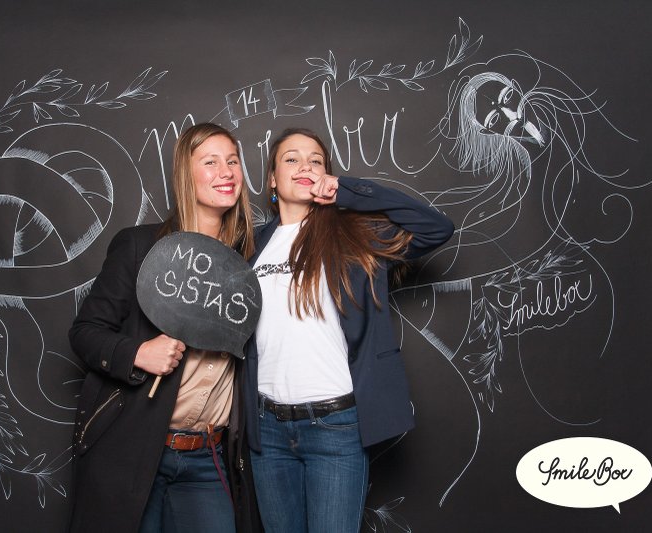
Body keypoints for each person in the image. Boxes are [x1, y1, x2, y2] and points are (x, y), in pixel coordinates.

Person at [244, 128, 455, 532]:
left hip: (335, 428)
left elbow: (435, 228)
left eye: (316, 160)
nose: (305, 166)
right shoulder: (251, 247)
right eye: (291, 159)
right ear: (272, 179)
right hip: (267, 430)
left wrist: (348, 191)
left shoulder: (355, 235)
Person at [68, 123, 260, 533]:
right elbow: (85, 331)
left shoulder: (249, 264)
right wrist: (137, 353)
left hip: (208, 457)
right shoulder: (141, 246)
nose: (226, 172)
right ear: (186, 174)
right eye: (210, 162)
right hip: (135, 448)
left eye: (232, 161)